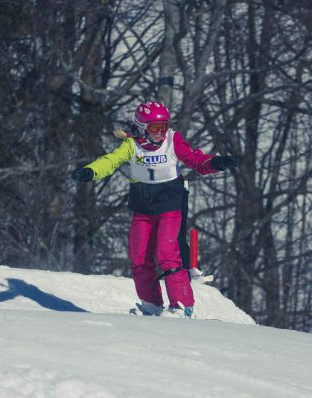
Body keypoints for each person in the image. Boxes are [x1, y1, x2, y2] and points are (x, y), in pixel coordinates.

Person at [71, 101, 239, 318]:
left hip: (169, 205)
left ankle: (182, 306)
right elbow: (110, 161)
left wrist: (217, 162)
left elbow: (196, 159)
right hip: (142, 210)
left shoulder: (172, 140)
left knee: (167, 253)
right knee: (139, 258)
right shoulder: (131, 145)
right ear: (141, 127)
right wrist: (91, 171)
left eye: (164, 127)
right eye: (155, 128)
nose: (161, 133)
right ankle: (151, 304)